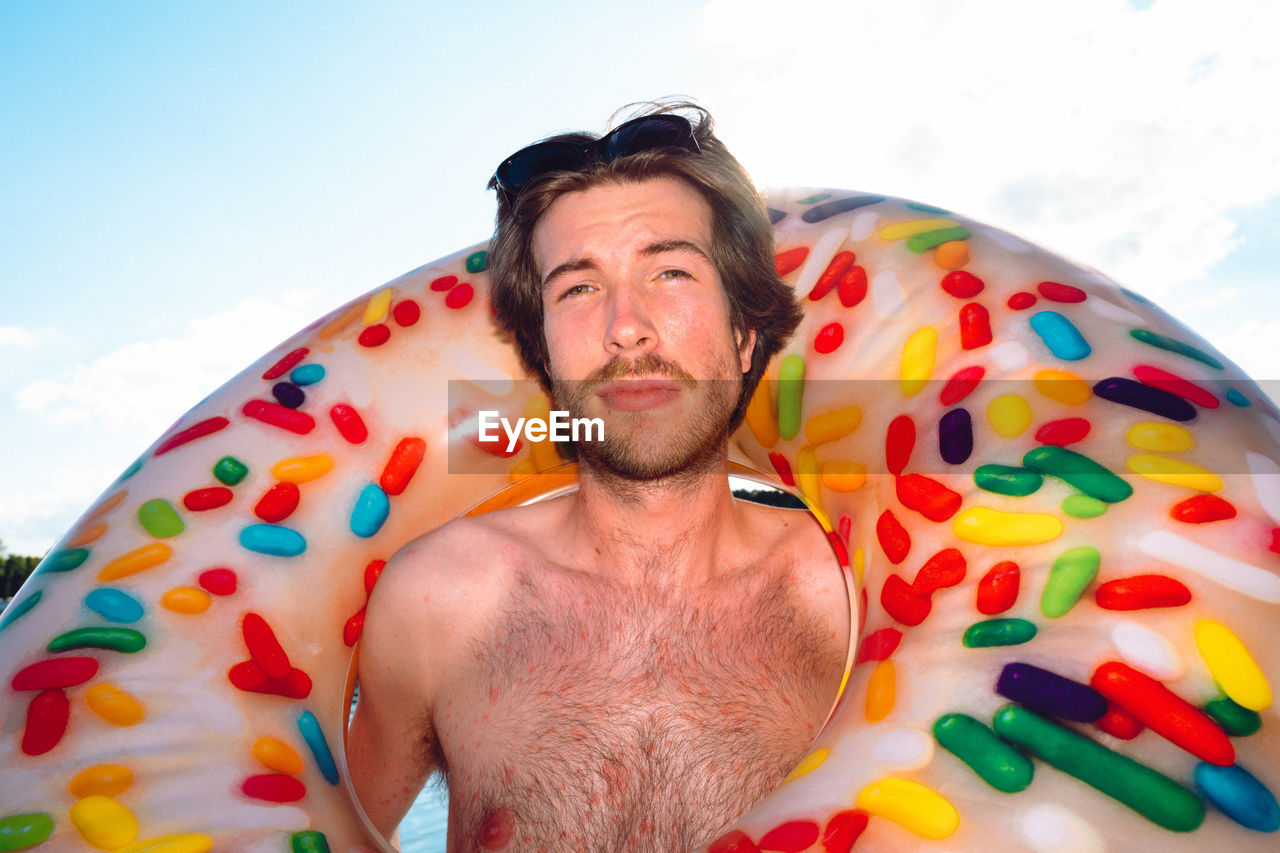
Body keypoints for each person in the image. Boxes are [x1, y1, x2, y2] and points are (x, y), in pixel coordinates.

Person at [347, 102, 851, 852]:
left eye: (671, 271)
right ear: (544, 357)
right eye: (578, 288)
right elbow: (317, 823)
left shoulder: (844, 595)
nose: (626, 325)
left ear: (746, 337)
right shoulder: (439, 600)